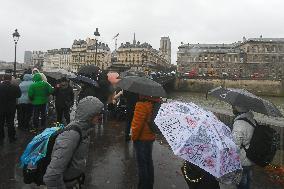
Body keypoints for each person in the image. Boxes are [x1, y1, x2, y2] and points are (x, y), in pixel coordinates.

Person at [43, 96, 104, 189]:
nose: (101, 117)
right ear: (89, 115)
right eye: (98, 114)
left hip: (73, 182)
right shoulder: (71, 136)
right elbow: (52, 176)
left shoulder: (84, 129)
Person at [131, 95, 159, 189]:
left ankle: (143, 186)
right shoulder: (155, 103)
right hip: (150, 137)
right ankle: (150, 184)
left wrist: (134, 138)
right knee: (148, 161)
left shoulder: (141, 104)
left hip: (141, 139)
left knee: (142, 164)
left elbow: (137, 125)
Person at [232, 105, 255, 189]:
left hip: (242, 158)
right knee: (249, 179)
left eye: (234, 107)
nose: (232, 108)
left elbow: (235, 145)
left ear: (239, 109)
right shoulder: (251, 119)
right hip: (251, 155)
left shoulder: (239, 123)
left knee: (242, 183)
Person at [0, 74, 21, 143]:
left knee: (1, 123)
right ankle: (11, 137)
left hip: (1, 108)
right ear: (10, 79)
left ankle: (1, 137)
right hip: (11, 107)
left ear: (3, 78)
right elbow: (19, 95)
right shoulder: (15, 87)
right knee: (10, 122)